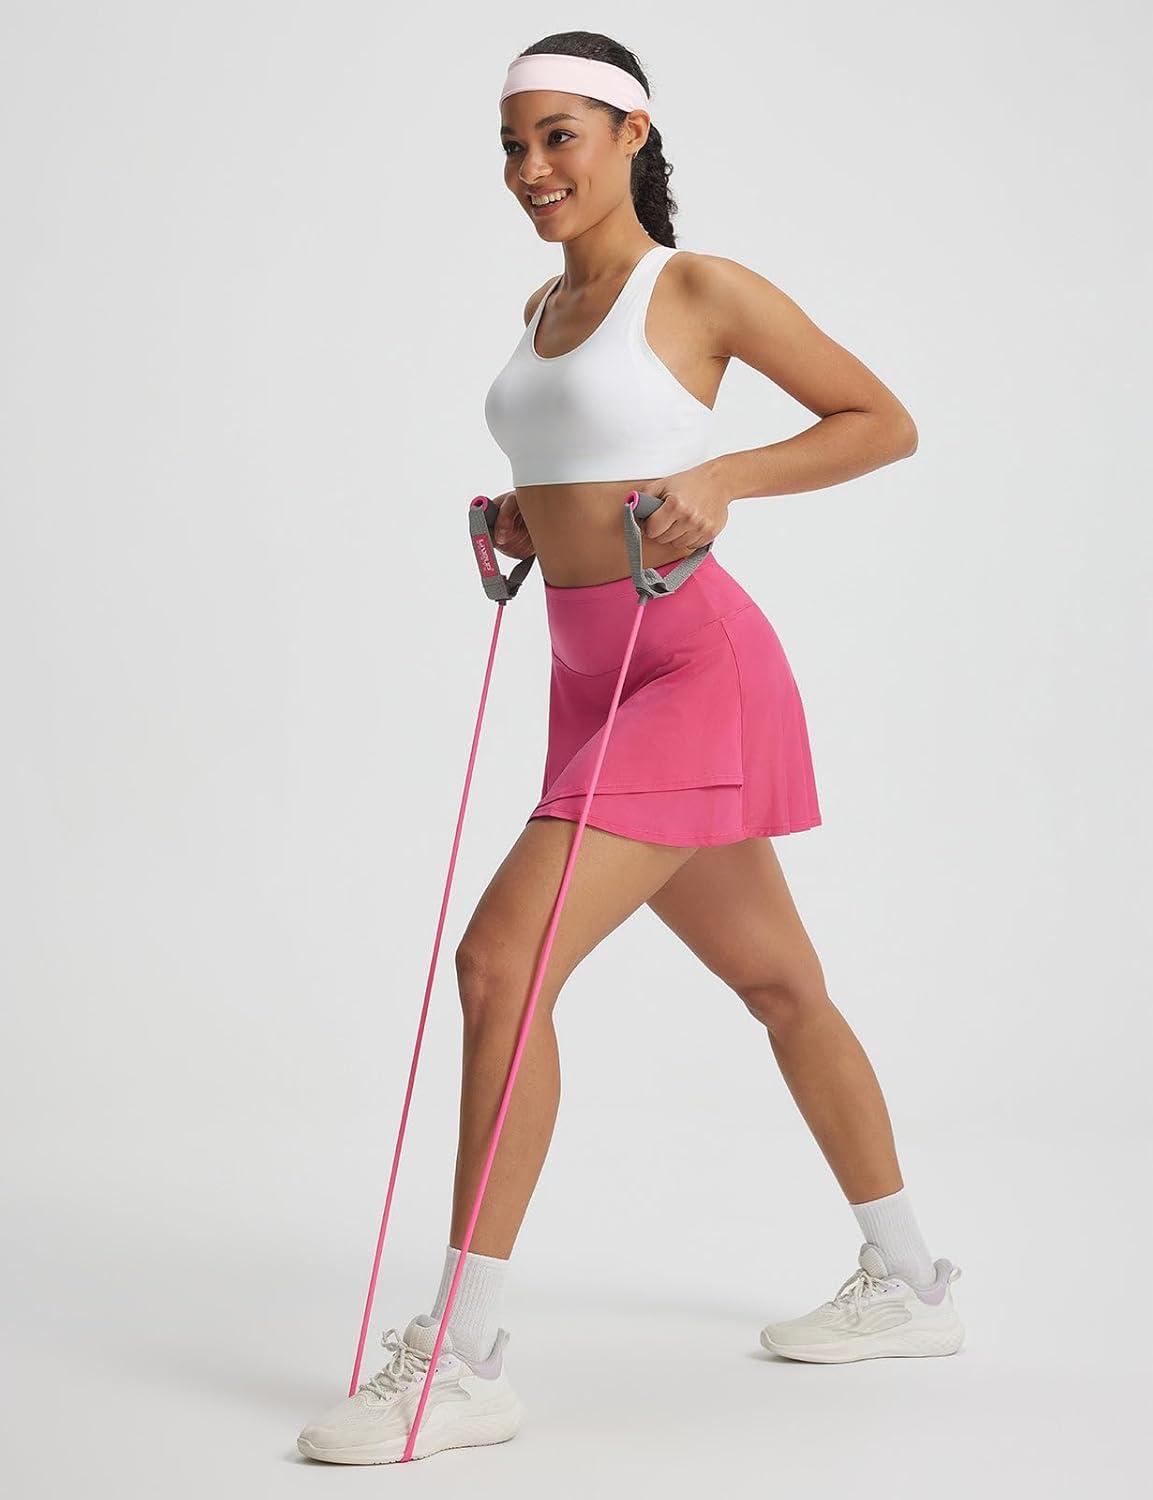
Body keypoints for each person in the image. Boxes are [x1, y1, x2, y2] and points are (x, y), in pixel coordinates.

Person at [297, 29, 963, 1468]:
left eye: (560, 135)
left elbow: (881, 422)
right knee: (782, 986)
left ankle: (463, 1360)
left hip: (689, 668)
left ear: (631, 134)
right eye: (513, 143)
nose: (531, 168)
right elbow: (581, 473)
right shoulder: (545, 302)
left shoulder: (697, 286)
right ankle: (911, 1283)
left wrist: (725, 477)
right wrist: (526, 519)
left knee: (499, 964)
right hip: (585, 676)